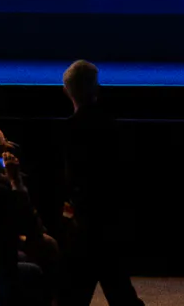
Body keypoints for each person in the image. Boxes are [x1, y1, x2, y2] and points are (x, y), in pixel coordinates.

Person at [56, 61, 141, 306]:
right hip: (110, 221)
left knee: (71, 295)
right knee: (119, 289)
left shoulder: (68, 131)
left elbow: (69, 181)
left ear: (66, 90)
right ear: (97, 89)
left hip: (83, 223)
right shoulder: (115, 129)